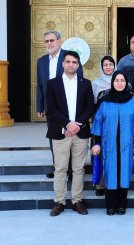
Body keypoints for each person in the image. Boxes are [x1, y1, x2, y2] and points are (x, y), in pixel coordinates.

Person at [91, 71, 134, 216]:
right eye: (117, 80)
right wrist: (96, 143)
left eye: (122, 80)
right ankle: (110, 205)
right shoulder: (105, 100)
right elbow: (97, 122)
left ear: (126, 82)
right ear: (112, 82)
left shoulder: (133, 100)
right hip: (108, 144)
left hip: (126, 144)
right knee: (110, 173)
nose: (120, 83)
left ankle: (122, 205)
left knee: (124, 172)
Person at [46, 51, 93, 216]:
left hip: (80, 133)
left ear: (78, 65)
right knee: (60, 168)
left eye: (74, 62)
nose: (71, 64)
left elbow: (89, 107)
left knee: (79, 168)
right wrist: (67, 124)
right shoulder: (52, 84)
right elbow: (51, 109)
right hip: (60, 133)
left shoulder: (86, 83)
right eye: (68, 61)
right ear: (63, 64)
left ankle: (77, 201)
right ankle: (59, 201)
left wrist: (76, 125)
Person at [36, 30, 83, 178]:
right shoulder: (42, 61)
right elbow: (40, 84)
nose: (49, 43)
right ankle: (58, 167)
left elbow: (79, 80)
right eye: (47, 41)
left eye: (52, 40)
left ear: (59, 41)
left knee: (70, 136)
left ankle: (70, 169)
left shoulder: (69, 57)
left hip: (69, 106)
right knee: (54, 137)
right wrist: (40, 105)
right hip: (51, 107)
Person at [91, 55, 116, 196]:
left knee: (113, 155)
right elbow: (92, 105)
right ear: (101, 67)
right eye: (105, 64)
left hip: (117, 125)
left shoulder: (121, 81)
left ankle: (113, 183)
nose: (108, 67)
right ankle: (100, 185)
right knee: (99, 153)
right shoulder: (96, 83)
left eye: (110, 64)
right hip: (100, 124)